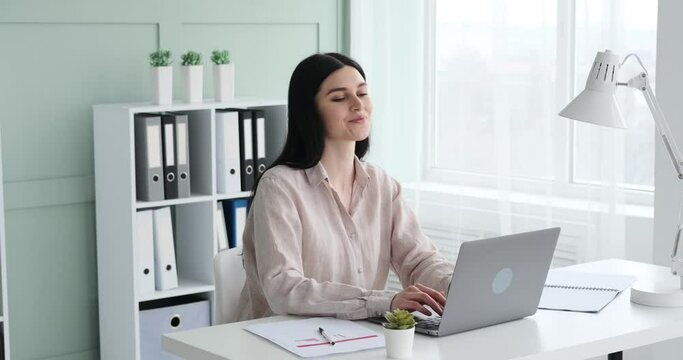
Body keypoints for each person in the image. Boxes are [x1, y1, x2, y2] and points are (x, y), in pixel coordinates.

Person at [237, 52, 454, 321]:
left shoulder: (383, 186)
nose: (357, 105)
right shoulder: (279, 187)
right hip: (281, 341)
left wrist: (455, 285)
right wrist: (382, 301)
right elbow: (284, 288)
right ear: (310, 112)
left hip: (356, 338)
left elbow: (418, 259)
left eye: (362, 93)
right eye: (340, 98)